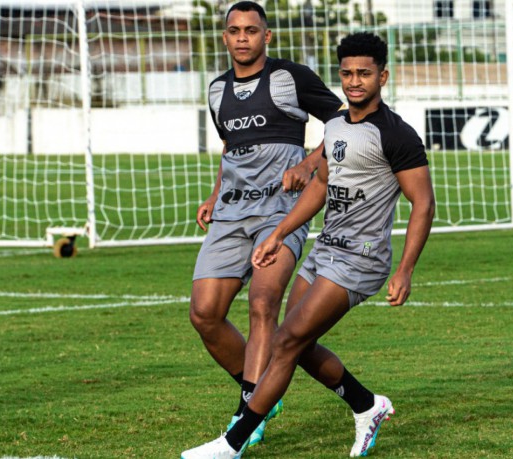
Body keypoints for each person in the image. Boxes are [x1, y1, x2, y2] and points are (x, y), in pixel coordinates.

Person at [181, 31, 435, 459]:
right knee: (293, 344)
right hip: (325, 249)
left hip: (361, 258)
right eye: (348, 74)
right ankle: (367, 404)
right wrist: (279, 233)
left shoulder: (396, 135)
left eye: (365, 74)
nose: (355, 82)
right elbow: (319, 187)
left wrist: (405, 269)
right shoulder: (335, 126)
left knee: (284, 343)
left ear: (383, 76)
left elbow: (423, 204)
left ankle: (233, 442)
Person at [188, 0, 342, 448]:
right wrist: (216, 193)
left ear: (266, 36)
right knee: (204, 313)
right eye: (234, 30)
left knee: (262, 301)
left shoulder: (290, 78)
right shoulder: (217, 90)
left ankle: (245, 419)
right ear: (225, 37)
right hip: (232, 212)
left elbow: (344, 120)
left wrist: (313, 162)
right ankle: (259, 392)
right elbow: (231, 148)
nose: (242, 38)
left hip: (280, 210)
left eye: (251, 30)